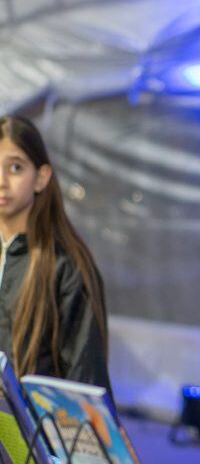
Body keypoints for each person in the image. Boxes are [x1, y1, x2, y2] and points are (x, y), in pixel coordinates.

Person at [0, 116, 110, 391]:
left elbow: (85, 379)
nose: (1, 181)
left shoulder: (67, 265)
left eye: (15, 167)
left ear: (41, 177)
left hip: (34, 417)